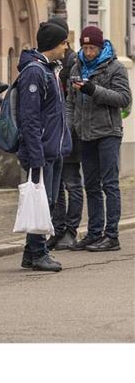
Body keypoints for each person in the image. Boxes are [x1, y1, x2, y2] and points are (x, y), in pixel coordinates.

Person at [67, 25, 132, 252]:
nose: (89, 52)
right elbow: (70, 102)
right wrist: (70, 125)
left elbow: (124, 98)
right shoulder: (77, 67)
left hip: (108, 133)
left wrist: (93, 90)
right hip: (85, 134)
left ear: (100, 45)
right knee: (91, 185)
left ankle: (111, 235)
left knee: (110, 184)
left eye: (92, 47)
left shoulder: (115, 68)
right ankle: (94, 233)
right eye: (85, 47)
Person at [15, 21, 72, 271]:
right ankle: (38, 252)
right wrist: (36, 154)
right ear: (53, 45)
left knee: (47, 201)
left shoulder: (50, 70)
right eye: (63, 43)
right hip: (41, 151)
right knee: (42, 200)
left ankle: (32, 251)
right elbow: (30, 118)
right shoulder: (35, 72)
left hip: (53, 149)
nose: (67, 47)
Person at [47, 17, 85, 251]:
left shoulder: (73, 63)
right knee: (59, 184)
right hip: (58, 133)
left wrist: (68, 129)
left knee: (72, 183)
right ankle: (58, 228)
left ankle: (71, 230)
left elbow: (73, 102)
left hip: (71, 133)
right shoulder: (55, 63)